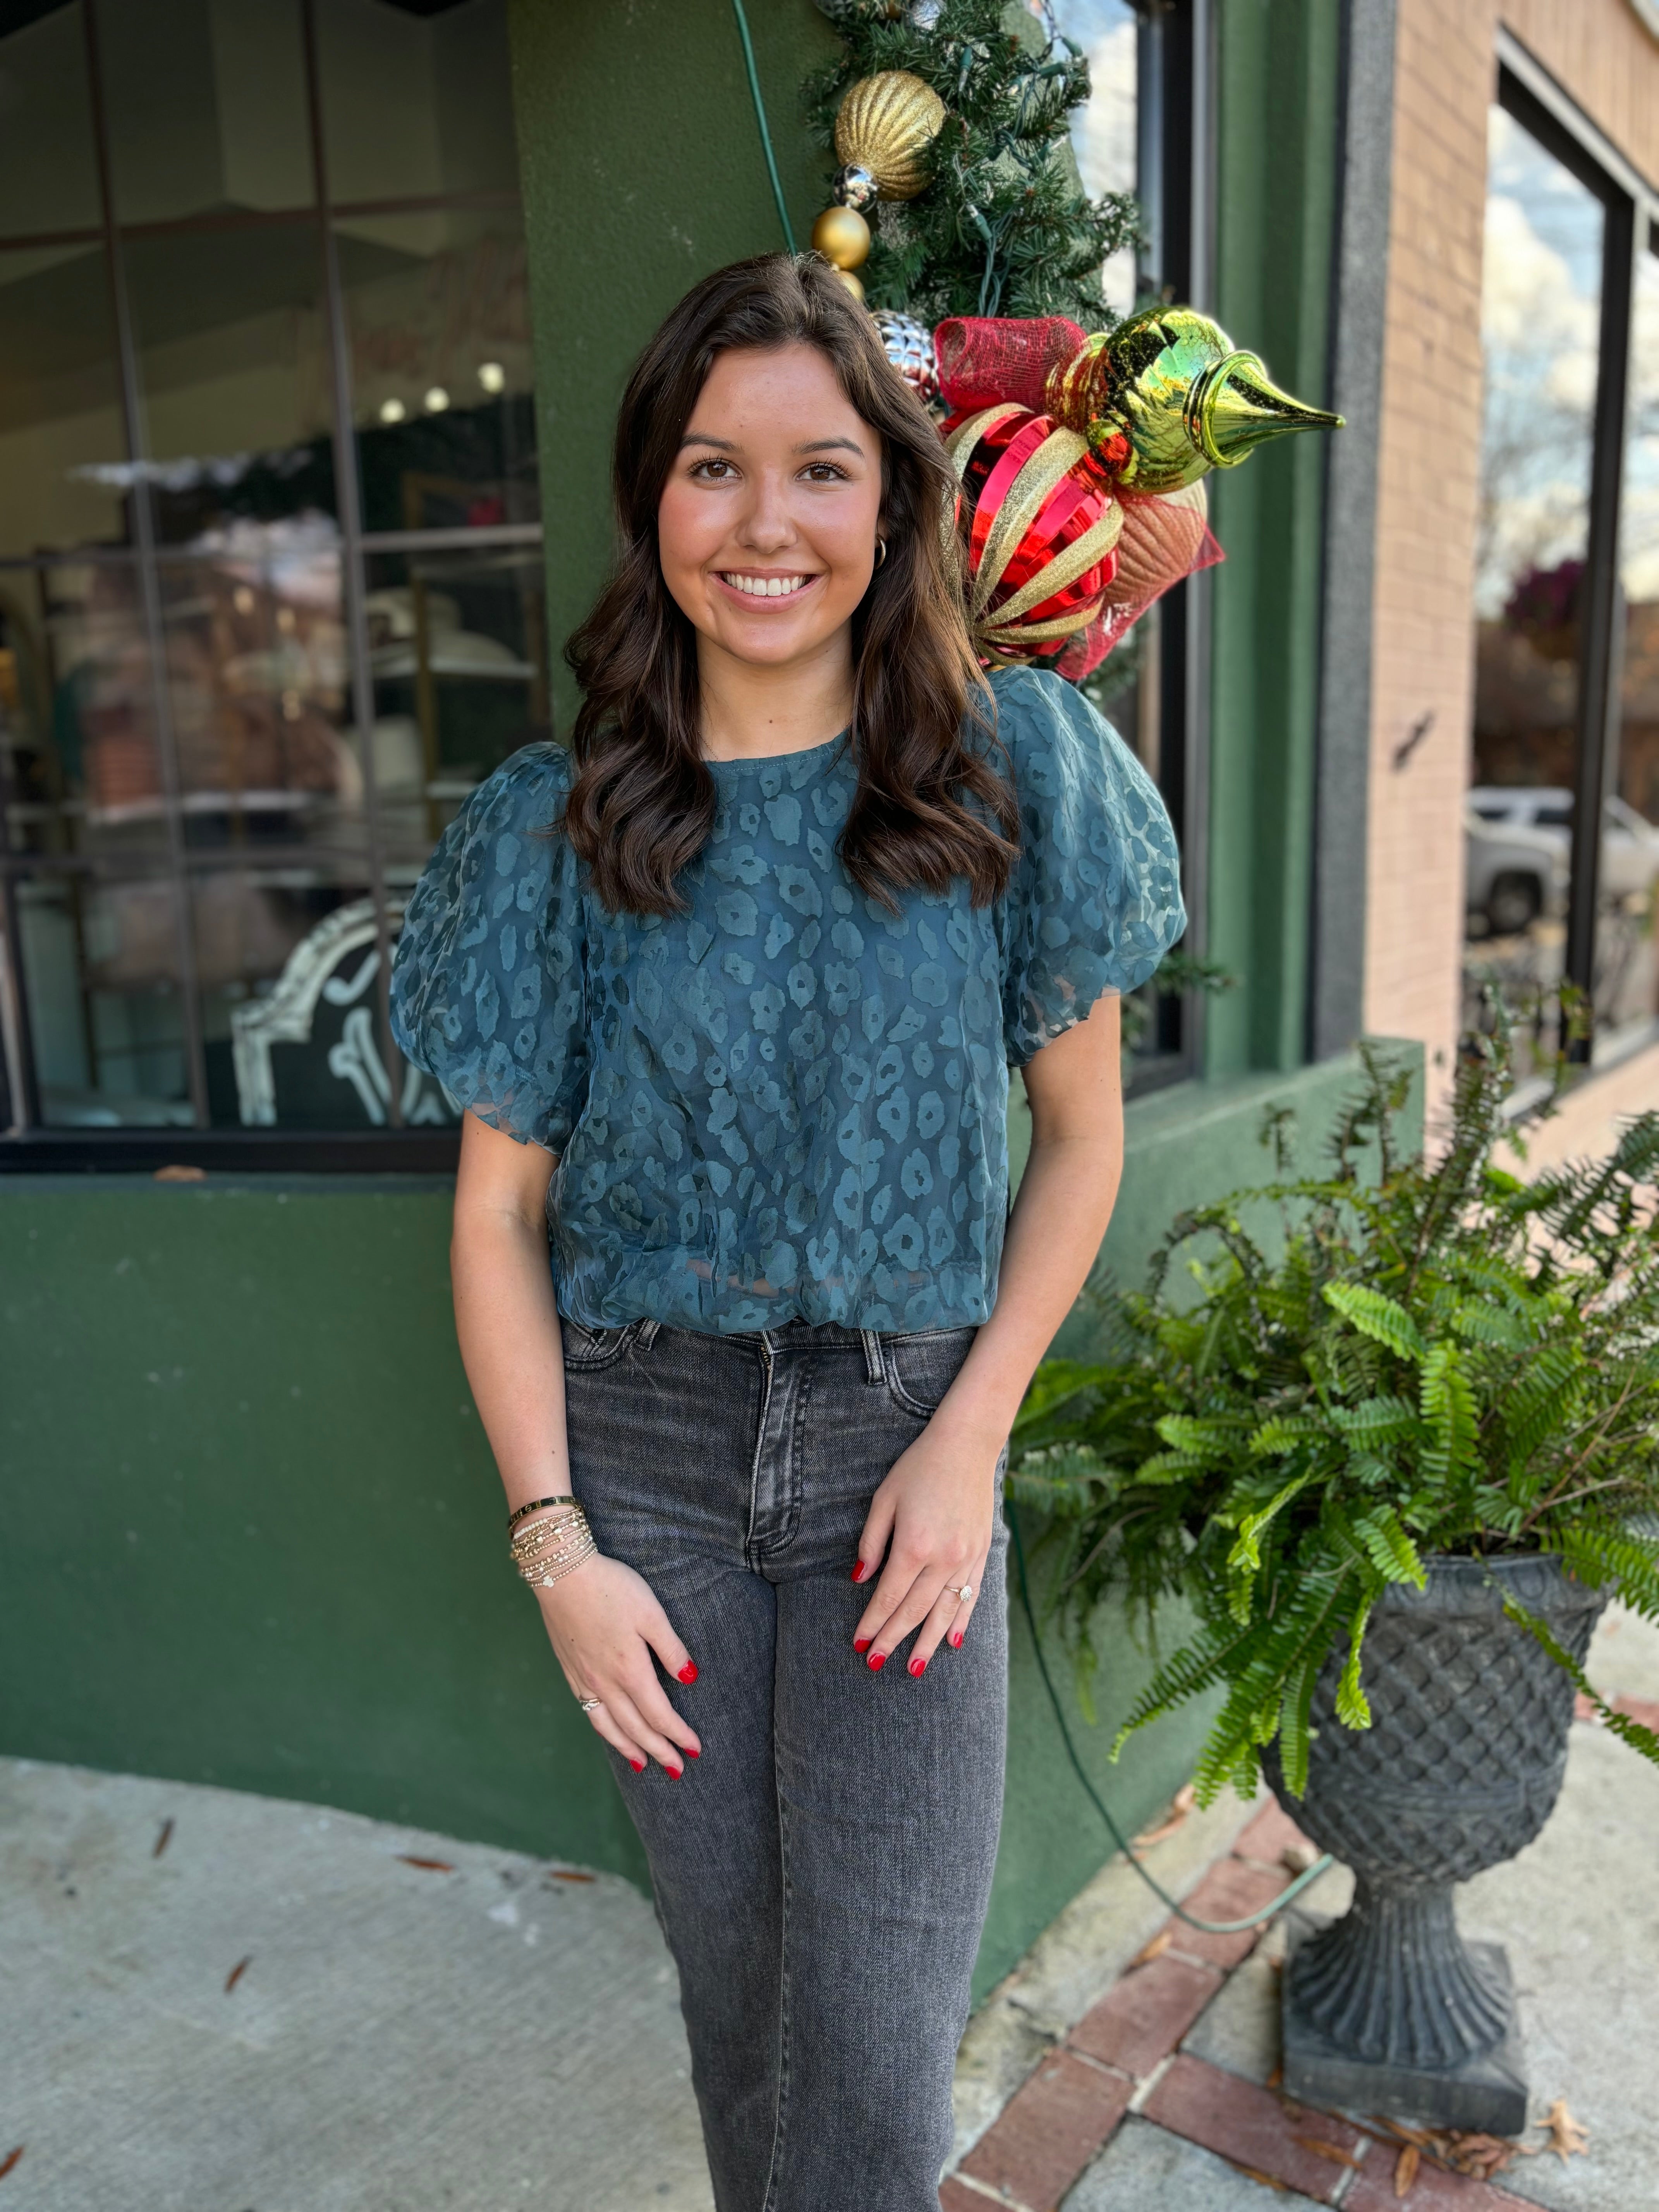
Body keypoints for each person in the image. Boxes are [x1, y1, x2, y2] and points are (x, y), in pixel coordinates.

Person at [390, 253, 1183, 2212]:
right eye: (712, 468)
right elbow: (497, 1215)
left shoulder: (1008, 767)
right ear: (651, 498)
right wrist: (555, 1545)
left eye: (824, 471)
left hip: (904, 1451)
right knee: (740, 2000)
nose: (766, 526)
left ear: (895, 504)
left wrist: (970, 1435)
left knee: (884, 2033)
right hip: (641, 1469)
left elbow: (1078, 1143)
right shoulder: (559, 826)